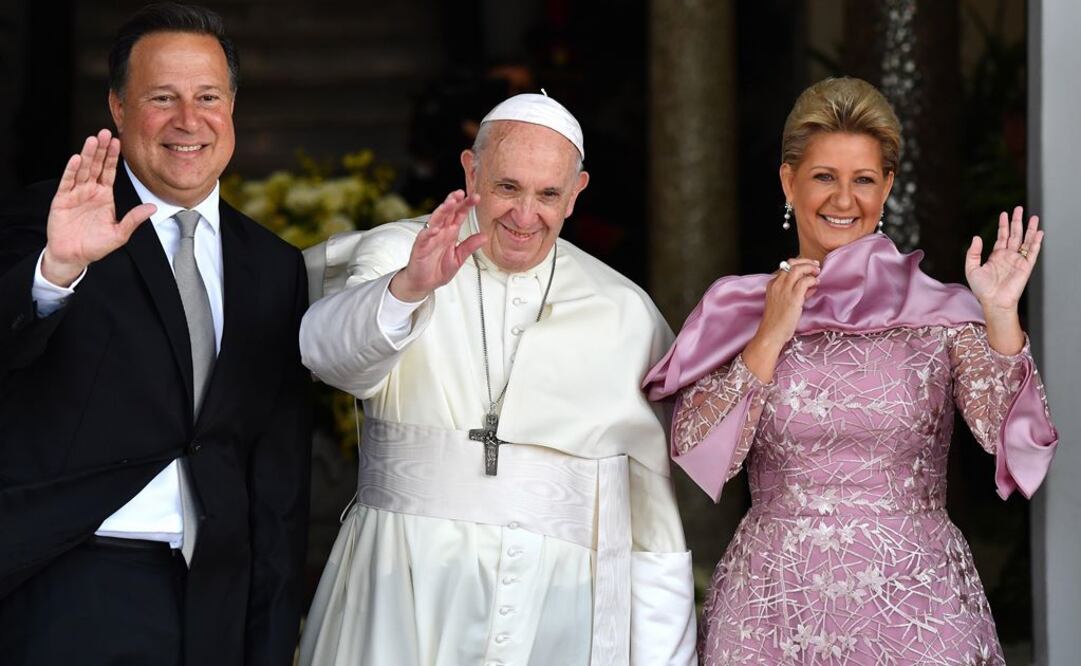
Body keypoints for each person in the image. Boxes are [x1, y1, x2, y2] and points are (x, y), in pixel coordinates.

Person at [644, 77, 1058, 664]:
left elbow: (1012, 442)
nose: (844, 199)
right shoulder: (739, 308)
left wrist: (999, 316)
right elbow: (699, 449)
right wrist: (769, 334)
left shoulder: (939, 312)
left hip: (917, 607)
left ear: (887, 187)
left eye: (863, 179)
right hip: (772, 612)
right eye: (823, 177)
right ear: (789, 182)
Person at [298, 93, 696, 665]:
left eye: (549, 194)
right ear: (471, 171)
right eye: (508, 188)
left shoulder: (624, 312)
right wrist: (409, 288)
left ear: (577, 193)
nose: (525, 215)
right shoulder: (400, 253)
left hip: (560, 614)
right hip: (399, 590)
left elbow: (651, 518)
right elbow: (329, 357)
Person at [0, 4, 312, 665]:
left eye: (207, 97)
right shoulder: (51, 218)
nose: (187, 121)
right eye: (161, 98)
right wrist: (55, 271)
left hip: (213, 607)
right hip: (69, 587)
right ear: (117, 106)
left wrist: (270, 635)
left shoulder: (275, 266)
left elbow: (277, 481)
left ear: (232, 106)